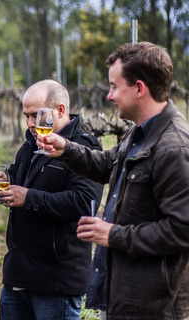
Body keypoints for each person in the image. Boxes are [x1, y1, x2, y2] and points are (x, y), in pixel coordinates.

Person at [39, 42, 189, 319]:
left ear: (139, 89)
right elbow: (109, 165)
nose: (109, 96)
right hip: (129, 295)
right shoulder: (141, 132)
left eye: (114, 86)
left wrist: (113, 234)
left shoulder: (173, 148)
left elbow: (182, 229)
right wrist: (66, 149)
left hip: (153, 306)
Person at [0, 79, 103, 320]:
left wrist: (28, 197)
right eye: (26, 115)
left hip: (56, 281)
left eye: (36, 114)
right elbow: (22, 181)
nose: (30, 123)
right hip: (18, 273)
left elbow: (84, 202)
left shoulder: (84, 149)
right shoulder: (30, 145)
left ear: (60, 110)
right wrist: (3, 182)